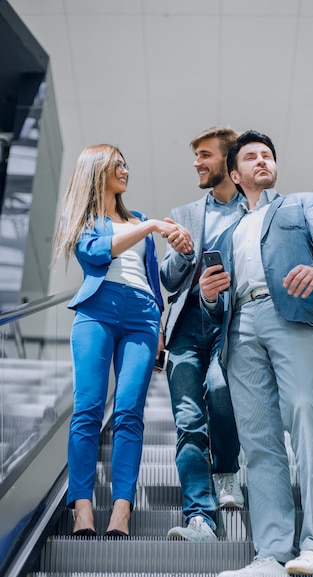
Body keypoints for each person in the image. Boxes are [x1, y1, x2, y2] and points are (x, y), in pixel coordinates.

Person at [199, 130, 313, 576]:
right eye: (251, 157)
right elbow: (216, 305)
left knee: (305, 416)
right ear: (235, 172)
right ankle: (271, 552)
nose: (263, 161)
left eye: (268, 155)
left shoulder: (303, 203)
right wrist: (211, 297)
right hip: (240, 327)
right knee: (259, 443)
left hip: (289, 315)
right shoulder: (227, 232)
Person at [53, 143, 192, 538]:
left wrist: (161, 323)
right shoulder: (81, 218)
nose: (126, 171)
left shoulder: (139, 220)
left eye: (127, 165)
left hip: (143, 317)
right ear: (97, 171)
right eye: (118, 166)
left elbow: (152, 277)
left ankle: (121, 510)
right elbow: (95, 255)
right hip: (96, 310)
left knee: (129, 413)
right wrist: (149, 227)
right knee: (89, 409)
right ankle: (82, 508)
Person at [160, 126, 245, 542]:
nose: (197, 163)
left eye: (205, 155)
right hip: (186, 324)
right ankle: (200, 517)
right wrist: (183, 254)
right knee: (189, 420)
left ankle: (227, 469)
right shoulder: (185, 212)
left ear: (228, 162)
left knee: (221, 388)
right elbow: (167, 279)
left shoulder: (254, 211)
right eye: (195, 156)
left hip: (232, 321)